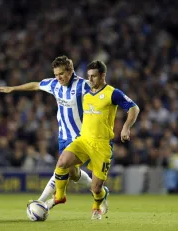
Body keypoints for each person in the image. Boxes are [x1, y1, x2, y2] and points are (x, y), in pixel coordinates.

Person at [0, 56, 108, 213]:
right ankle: (100, 192)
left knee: (61, 166)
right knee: (73, 173)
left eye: (61, 74)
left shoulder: (84, 85)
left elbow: (104, 93)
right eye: (56, 74)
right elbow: (36, 85)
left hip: (80, 138)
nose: (58, 77)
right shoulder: (54, 84)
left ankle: (41, 201)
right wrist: (13, 88)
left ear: (71, 71)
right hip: (63, 137)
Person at [47, 60, 140, 219]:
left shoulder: (113, 93)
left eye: (94, 77)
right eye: (88, 76)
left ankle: (97, 204)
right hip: (83, 140)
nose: (90, 80)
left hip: (101, 145)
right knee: (62, 162)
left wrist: (126, 127)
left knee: (96, 188)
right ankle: (59, 196)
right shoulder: (86, 92)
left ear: (103, 75)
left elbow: (134, 108)